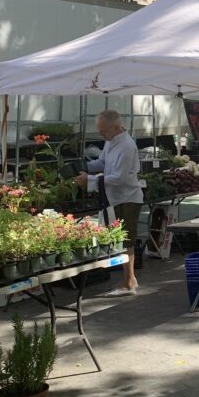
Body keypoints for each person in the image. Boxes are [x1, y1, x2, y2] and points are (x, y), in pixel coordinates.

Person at [74, 109, 143, 295]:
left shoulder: (127, 146)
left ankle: (128, 283)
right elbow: (102, 163)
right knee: (118, 238)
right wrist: (81, 167)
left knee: (126, 239)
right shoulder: (110, 141)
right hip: (115, 197)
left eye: (103, 130)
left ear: (115, 127)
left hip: (128, 198)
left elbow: (119, 178)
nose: (100, 134)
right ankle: (130, 278)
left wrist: (89, 180)